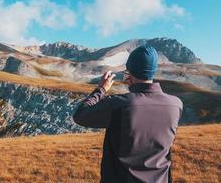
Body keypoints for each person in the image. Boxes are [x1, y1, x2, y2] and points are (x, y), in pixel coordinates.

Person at [73, 46, 183, 183]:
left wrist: (101, 89)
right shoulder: (176, 105)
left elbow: (81, 115)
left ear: (129, 73)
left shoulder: (119, 104)